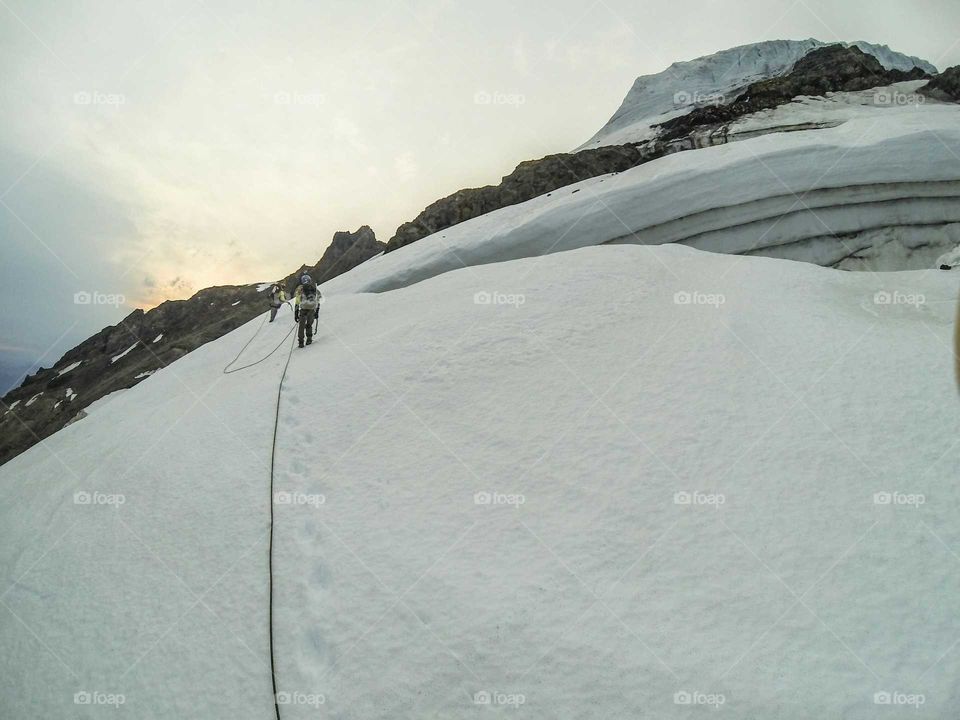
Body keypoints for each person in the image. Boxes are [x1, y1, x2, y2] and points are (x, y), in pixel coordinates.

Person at [293, 273, 321, 348]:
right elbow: (318, 300)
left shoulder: (300, 289)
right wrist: (317, 311)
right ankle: (309, 339)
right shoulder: (314, 288)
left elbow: (297, 301)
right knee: (309, 325)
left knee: (301, 326)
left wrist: (296, 313)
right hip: (312, 309)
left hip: (303, 309)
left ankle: (301, 342)